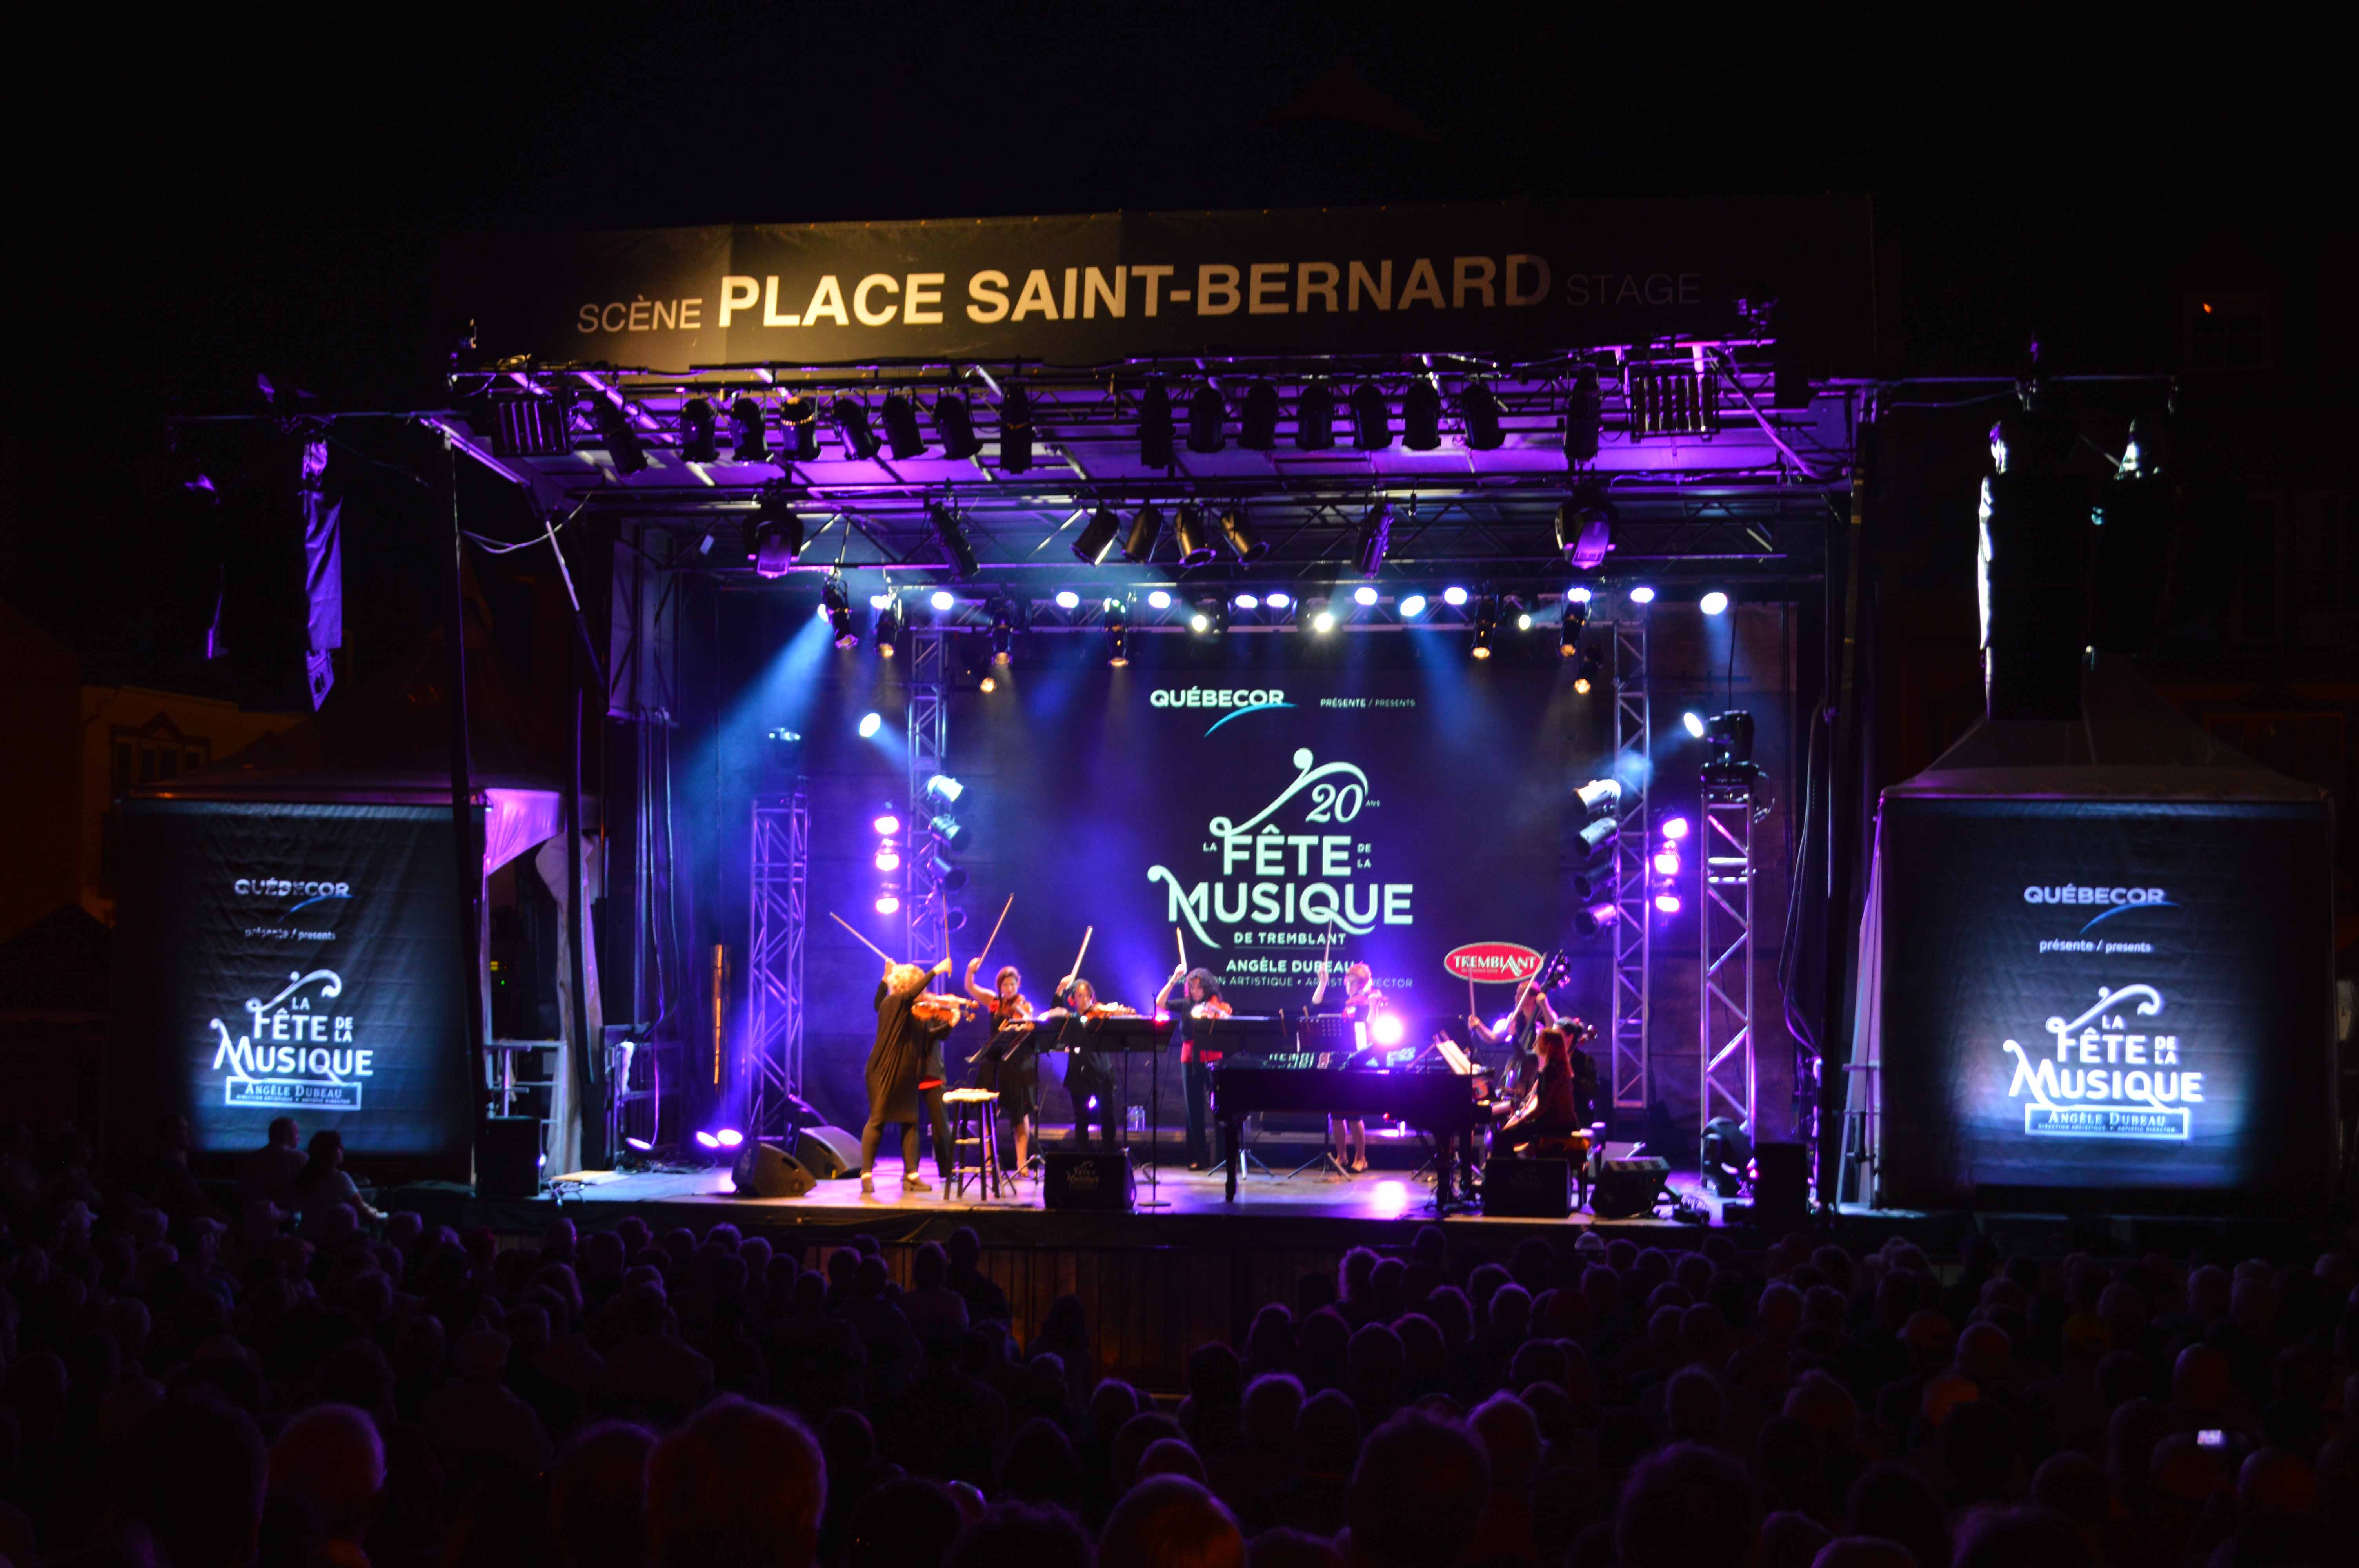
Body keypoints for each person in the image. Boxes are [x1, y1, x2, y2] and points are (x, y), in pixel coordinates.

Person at [862, 959, 957, 1196]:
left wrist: (950, 1024)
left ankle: (912, 1175)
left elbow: (929, 1039)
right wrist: (936, 970)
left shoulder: (916, 1014)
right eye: (921, 987)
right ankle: (866, 1174)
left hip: (906, 1074)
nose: (925, 993)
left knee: (911, 1121)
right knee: (878, 1119)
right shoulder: (893, 1003)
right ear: (910, 986)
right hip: (884, 1070)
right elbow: (906, 996)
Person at [965, 957, 1040, 1175]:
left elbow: (1031, 1025)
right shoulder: (993, 1001)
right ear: (1000, 986)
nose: (1009, 988)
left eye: (1013, 985)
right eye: (1005, 985)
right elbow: (970, 987)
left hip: (1015, 1065)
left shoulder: (1024, 1005)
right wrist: (971, 971)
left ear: (1018, 985)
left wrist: (1022, 1011)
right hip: (994, 1063)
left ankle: (1021, 1163)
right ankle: (989, 1161)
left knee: (1020, 1114)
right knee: (990, 1114)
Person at [1310, 960, 1384, 1173]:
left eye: (1354, 983)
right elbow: (1317, 1002)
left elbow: (1371, 1025)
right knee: (1336, 1113)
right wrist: (1323, 981)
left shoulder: (1367, 1002)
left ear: (1363, 984)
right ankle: (1341, 1155)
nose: (1349, 985)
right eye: (1348, 981)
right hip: (1338, 1060)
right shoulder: (1346, 1004)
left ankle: (1361, 1157)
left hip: (1358, 1061)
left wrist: (1373, 1006)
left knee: (1353, 1113)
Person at [1157, 965, 1231, 1170]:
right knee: (1194, 1110)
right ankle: (1198, 1158)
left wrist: (1213, 1011)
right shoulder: (1186, 1005)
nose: (1196, 992)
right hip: (1189, 1058)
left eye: (1199, 988)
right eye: (1192, 988)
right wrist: (1174, 979)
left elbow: (1226, 1015)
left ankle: (1225, 1158)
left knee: (1220, 1109)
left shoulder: (1215, 1005)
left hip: (1213, 1057)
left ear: (1207, 988)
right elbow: (1160, 1003)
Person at [1040, 975, 1120, 1149]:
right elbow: (1054, 1013)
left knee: (1108, 1115)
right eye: (1080, 997)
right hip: (1079, 1074)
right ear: (1073, 1000)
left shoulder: (1101, 1017)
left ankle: (1109, 1153)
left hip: (1102, 1072)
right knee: (1081, 1117)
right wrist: (1061, 987)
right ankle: (1083, 1155)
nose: (1085, 1001)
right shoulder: (1071, 1020)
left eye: (1088, 996)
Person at [1495, 1028, 1590, 1153]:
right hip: (1563, 1123)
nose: (1534, 1045)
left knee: (1503, 1137)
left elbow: (1542, 1107)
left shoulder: (1551, 1071)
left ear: (1548, 1046)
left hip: (1554, 1125)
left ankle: (1512, 1171)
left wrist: (1523, 1120)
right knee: (1509, 1135)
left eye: (1538, 1041)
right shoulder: (1560, 1068)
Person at [1468, 974, 1557, 1096]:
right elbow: (1495, 1038)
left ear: (1533, 998)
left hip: (1537, 1074)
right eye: (1517, 993)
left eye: (1521, 994)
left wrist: (1544, 1004)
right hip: (1516, 1072)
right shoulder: (1515, 1018)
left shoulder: (1544, 1017)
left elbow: (1555, 1029)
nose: (1516, 997)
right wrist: (1479, 1026)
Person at [290, 1129, 385, 1241]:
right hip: (332, 1240)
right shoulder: (339, 1178)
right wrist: (382, 1216)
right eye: (338, 1147)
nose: (342, 1150)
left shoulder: (303, 1176)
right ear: (328, 1153)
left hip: (306, 1236)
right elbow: (362, 1209)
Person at [238, 1115, 308, 1211]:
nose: (299, 1139)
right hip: (290, 1217)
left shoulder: (252, 1158)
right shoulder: (301, 1158)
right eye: (297, 1135)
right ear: (287, 1136)